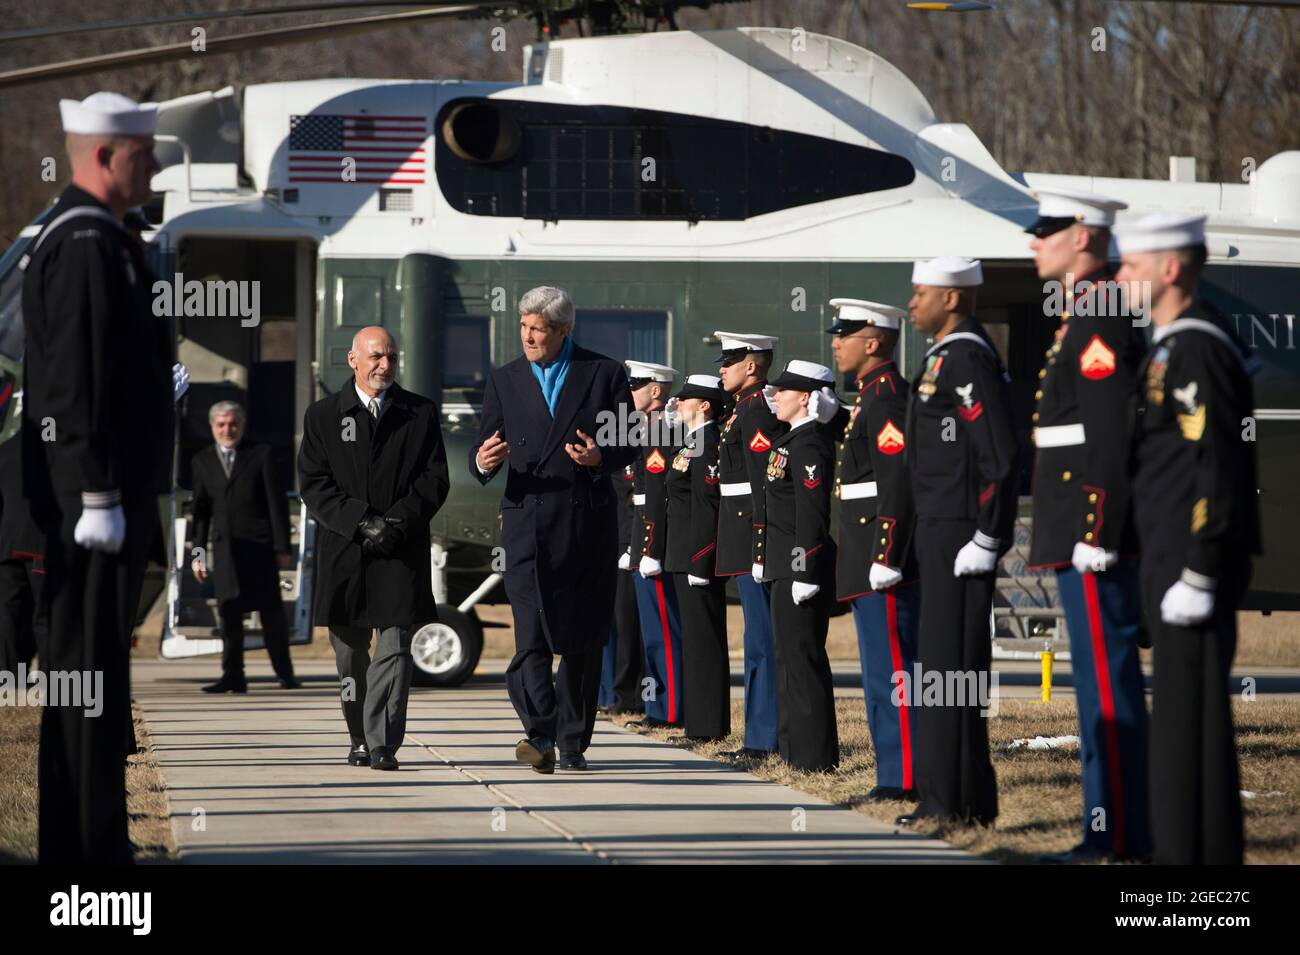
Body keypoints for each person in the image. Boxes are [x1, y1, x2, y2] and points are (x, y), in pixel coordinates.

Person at [20, 91, 174, 863]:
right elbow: (73, 383)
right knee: (85, 688)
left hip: (107, 499)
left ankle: (93, 843)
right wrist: (97, 496)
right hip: (94, 510)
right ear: (105, 156)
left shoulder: (107, 239)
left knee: (100, 686)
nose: (152, 165)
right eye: (142, 154)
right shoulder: (84, 242)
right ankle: (82, 863)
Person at [1116, 212, 1261, 865]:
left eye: (1132, 263)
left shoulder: (1197, 346)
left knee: (1194, 729)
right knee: (1179, 728)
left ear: (1170, 268)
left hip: (1191, 566)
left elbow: (1218, 464)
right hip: (1171, 562)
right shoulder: (1169, 344)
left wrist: (1201, 570)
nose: (1121, 275)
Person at [1023, 188, 1152, 864]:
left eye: (1046, 230)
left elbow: (1108, 430)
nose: (1033, 242)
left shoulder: (1098, 310)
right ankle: (1111, 828)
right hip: (1078, 526)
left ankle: (1118, 835)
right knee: (1098, 684)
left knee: (1108, 683)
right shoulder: (1083, 309)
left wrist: (1098, 528)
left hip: (1090, 532)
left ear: (1083, 234)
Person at [470, 287, 635, 773]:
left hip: (585, 526)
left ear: (563, 331)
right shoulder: (504, 379)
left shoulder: (604, 373)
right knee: (531, 640)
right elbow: (486, 445)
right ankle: (540, 732)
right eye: (523, 326)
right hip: (525, 524)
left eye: (537, 328)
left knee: (581, 641)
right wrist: (482, 461)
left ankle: (573, 743)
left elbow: (628, 441)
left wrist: (600, 457)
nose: (528, 336)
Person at [898, 256, 1018, 828]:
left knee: (952, 669)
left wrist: (989, 535)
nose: (913, 303)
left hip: (960, 536)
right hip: (940, 532)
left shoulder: (966, 356)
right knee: (943, 668)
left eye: (922, 293)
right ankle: (953, 794)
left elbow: (997, 452)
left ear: (951, 298)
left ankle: (954, 800)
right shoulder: (947, 354)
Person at [298, 325, 449, 771]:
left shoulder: (418, 413)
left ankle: (382, 742)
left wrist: (396, 523)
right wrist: (361, 521)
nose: (385, 365)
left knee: (395, 648)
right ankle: (359, 735)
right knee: (349, 652)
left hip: (400, 550)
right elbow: (314, 484)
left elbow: (433, 479)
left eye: (392, 358)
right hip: (345, 550)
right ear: (353, 360)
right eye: (376, 357)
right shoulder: (323, 416)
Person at [827, 298, 920, 801]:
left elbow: (896, 482)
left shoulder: (885, 397)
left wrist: (887, 554)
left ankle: (904, 777)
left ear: (875, 341)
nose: (836, 342)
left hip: (880, 556)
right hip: (865, 552)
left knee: (894, 671)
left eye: (845, 333)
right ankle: (893, 772)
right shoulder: (868, 397)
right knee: (879, 671)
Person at [190, 400, 299, 693]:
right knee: (229, 615)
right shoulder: (202, 461)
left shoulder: (260, 454)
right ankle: (233, 676)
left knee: (271, 615)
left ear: (242, 425)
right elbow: (200, 515)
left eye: (233, 424)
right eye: (221, 425)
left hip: (260, 550)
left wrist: (282, 548)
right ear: (212, 427)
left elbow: (276, 505)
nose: (228, 429)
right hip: (226, 552)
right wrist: (197, 555)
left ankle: (285, 674)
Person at [764, 360, 841, 773]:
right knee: (788, 658)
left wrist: (805, 570)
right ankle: (795, 750)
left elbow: (812, 514)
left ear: (806, 398)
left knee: (803, 658)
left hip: (799, 567)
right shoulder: (791, 439)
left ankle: (815, 758)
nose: (776, 396)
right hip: (782, 563)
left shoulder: (809, 442)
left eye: (785, 391)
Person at [712, 331, 783, 761]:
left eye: (730, 361)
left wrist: (760, 549)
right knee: (754, 642)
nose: (721, 368)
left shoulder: (756, 413)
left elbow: (763, 488)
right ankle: (757, 735)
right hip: (739, 539)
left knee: (762, 642)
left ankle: (764, 737)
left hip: (752, 540)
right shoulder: (741, 411)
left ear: (751, 365)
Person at [663, 374, 730, 743]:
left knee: (704, 641)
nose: (678, 404)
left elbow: (708, 507)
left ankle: (708, 728)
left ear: (704, 405)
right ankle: (699, 723)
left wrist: (701, 560)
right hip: (681, 555)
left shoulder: (707, 442)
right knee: (694, 640)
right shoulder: (690, 442)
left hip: (695, 557)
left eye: (686, 399)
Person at [626, 360, 685, 730]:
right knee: (651, 634)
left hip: (654, 541)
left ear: (656, 391)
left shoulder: (665, 430)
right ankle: (656, 707)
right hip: (638, 535)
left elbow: (660, 497)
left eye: (636, 386)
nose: (629, 393)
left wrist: (652, 549)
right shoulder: (643, 429)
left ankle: (672, 710)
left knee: (664, 632)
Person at [597, 454, 644, 717]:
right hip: (605, 541)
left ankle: (627, 697)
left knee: (627, 625)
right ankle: (606, 692)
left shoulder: (632, 446)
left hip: (626, 542)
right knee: (606, 624)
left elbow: (635, 501)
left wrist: (630, 545)